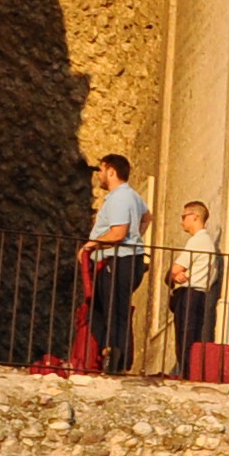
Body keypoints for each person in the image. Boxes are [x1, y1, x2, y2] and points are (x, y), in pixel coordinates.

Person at [80, 154, 146, 375]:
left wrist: (91, 245)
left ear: (110, 171)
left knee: (110, 311)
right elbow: (147, 217)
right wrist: (137, 239)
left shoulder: (119, 198)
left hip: (118, 260)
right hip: (127, 258)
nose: (98, 175)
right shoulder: (132, 196)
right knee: (113, 309)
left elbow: (118, 232)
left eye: (100, 170)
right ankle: (117, 358)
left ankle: (113, 360)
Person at [166, 198, 221, 373]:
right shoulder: (207, 242)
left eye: (184, 217)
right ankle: (190, 371)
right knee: (192, 337)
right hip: (199, 294)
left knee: (185, 338)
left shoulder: (198, 241)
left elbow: (175, 269)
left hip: (189, 294)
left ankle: (187, 372)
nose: (182, 221)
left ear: (195, 216)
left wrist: (176, 274)